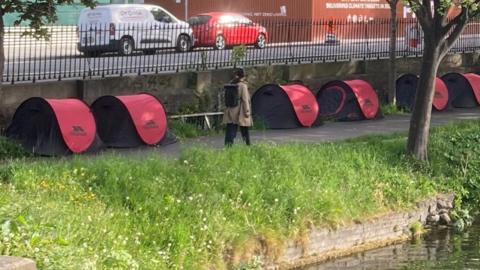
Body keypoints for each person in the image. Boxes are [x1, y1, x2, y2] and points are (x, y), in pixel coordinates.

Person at [223, 68, 252, 146]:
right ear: (243, 76)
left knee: (231, 128)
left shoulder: (231, 84)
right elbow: (245, 100)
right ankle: (247, 144)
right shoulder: (243, 86)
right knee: (244, 128)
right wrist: (247, 111)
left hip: (230, 109)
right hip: (240, 111)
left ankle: (228, 145)